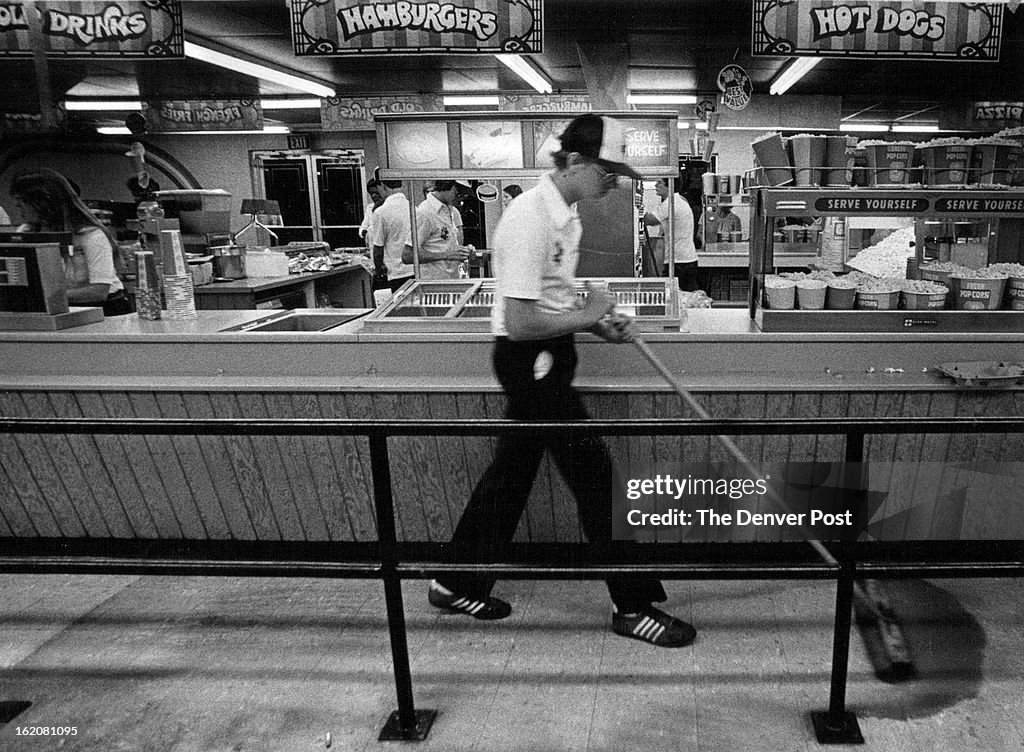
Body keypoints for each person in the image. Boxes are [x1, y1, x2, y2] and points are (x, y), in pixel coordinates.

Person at [427, 114, 696, 649]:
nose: (613, 181)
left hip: (546, 357)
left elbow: (554, 299)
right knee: (596, 479)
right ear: (573, 160)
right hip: (531, 361)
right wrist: (590, 311)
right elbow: (522, 322)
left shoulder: (563, 214)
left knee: (512, 475)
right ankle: (632, 606)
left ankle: (453, 582)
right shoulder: (530, 217)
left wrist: (598, 320)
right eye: (605, 169)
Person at [9, 168, 130, 316]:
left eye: (22, 204)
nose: (18, 209)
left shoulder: (90, 235)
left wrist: (45, 296)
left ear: (43, 204)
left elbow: (99, 291)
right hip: (57, 307)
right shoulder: (25, 233)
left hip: (106, 310)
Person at [402, 179, 471, 279]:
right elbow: (407, 255)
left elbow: (445, 244)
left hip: (451, 280)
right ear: (448, 187)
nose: (460, 199)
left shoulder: (450, 211)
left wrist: (464, 252)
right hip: (433, 283)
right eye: (458, 194)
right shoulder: (425, 212)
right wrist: (445, 255)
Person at [644, 178, 698, 291]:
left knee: (671, 295)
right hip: (687, 259)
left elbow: (649, 220)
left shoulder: (670, 203)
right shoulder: (681, 200)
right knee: (685, 298)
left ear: (670, 185)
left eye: (660, 182)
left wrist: (636, 208)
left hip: (678, 262)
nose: (656, 185)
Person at [369, 179, 414, 292]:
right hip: (415, 270)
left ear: (382, 185)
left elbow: (378, 250)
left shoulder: (381, 212)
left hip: (395, 274)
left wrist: (378, 271)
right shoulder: (414, 208)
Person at [359, 180, 385, 253]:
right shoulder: (370, 208)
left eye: (376, 193)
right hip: (373, 247)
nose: (374, 196)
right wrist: (365, 233)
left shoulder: (387, 208)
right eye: (371, 194)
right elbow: (363, 227)